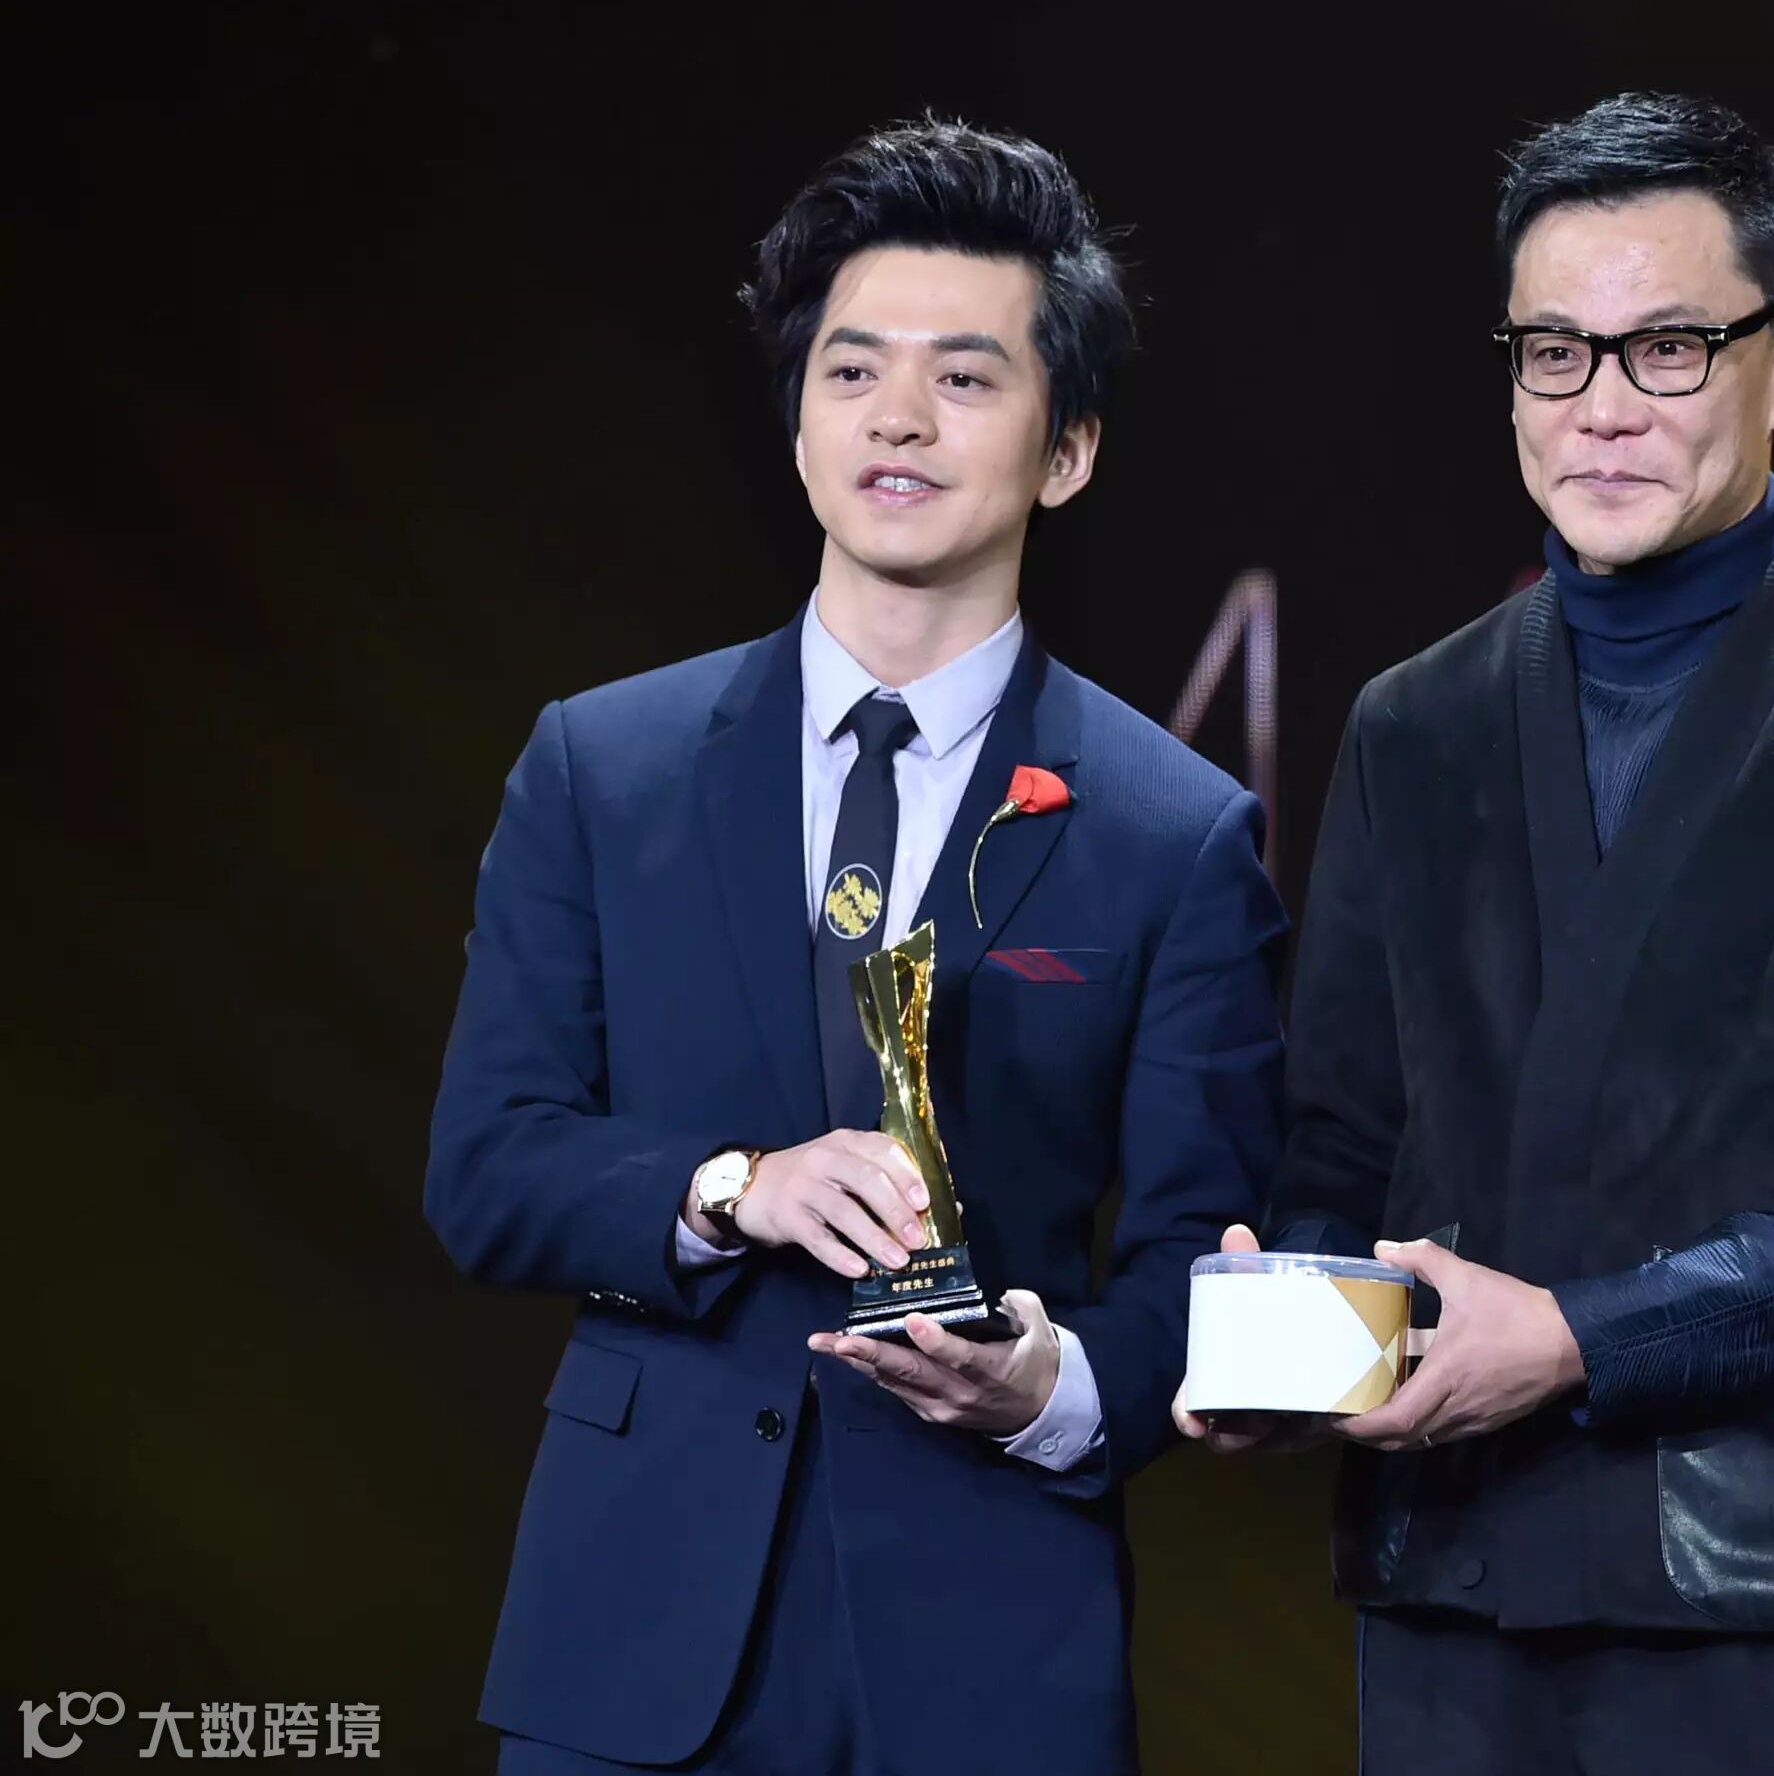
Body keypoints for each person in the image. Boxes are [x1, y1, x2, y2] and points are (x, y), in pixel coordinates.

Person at [1180, 92, 1774, 1773]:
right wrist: (1283, 1344)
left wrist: (1577, 1342)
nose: (1601, 408)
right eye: (1553, 354)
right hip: (1453, 1606)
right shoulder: (1415, 724)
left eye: (1666, 348)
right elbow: (1344, 1136)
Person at [428, 118, 1287, 1775]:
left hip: (989, 1640)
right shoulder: (604, 765)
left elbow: (1205, 1247)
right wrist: (729, 1187)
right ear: (802, 421)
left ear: (1068, 448)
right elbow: (487, 1165)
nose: (898, 416)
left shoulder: (1172, 829)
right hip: (636, 1627)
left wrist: (1054, 1384)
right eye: (852, 370)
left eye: (964, 377)